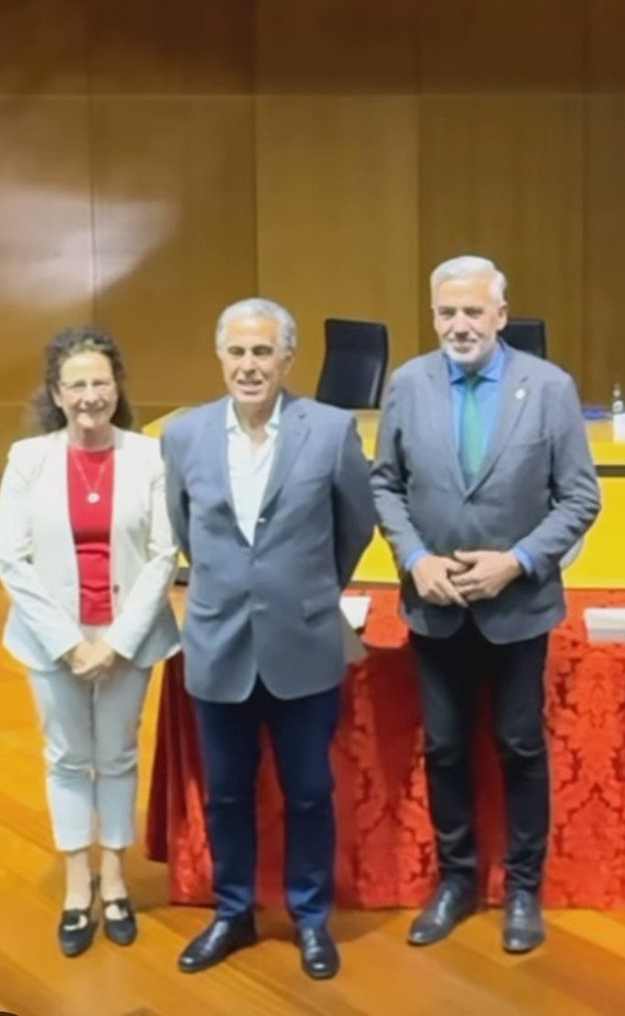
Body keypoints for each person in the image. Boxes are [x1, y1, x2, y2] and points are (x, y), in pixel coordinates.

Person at [371, 255, 601, 954]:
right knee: (443, 747)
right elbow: (385, 485)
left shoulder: (550, 388)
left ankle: (523, 890)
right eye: (447, 312)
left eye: (474, 311)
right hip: (434, 604)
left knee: (518, 745)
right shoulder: (407, 385)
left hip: (517, 607)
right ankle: (456, 881)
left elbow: (580, 497)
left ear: (501, 316)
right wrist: (415, 559)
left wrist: (518, 561)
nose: (460, 325)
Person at [161, 298, 374, 980]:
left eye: (262, 353)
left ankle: (310, 918)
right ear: (219, 357)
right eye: (237, 353)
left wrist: (306, 591)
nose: (249, 366)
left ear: (287, 358)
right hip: (218, 642)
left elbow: (354, 528)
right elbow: (184, 528)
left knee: (308, 789)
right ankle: (233, 912)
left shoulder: (331, 429)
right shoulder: (185, 435)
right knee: (225, 793)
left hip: (303, 642)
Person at [0, 326, 179, 958]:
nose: (91, 395)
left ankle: (118, 879)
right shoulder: (28, 459)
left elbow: (163, 553)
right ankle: (79, 884)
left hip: (128, 636)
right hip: (53, 640)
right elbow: (11, 559)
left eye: (101, 382)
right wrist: (71, 645)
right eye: (77, 384)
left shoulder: (149, 457)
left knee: (119, 754)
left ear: (116, 387)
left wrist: (118, 642)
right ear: (56, 392)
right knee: (68, 758)